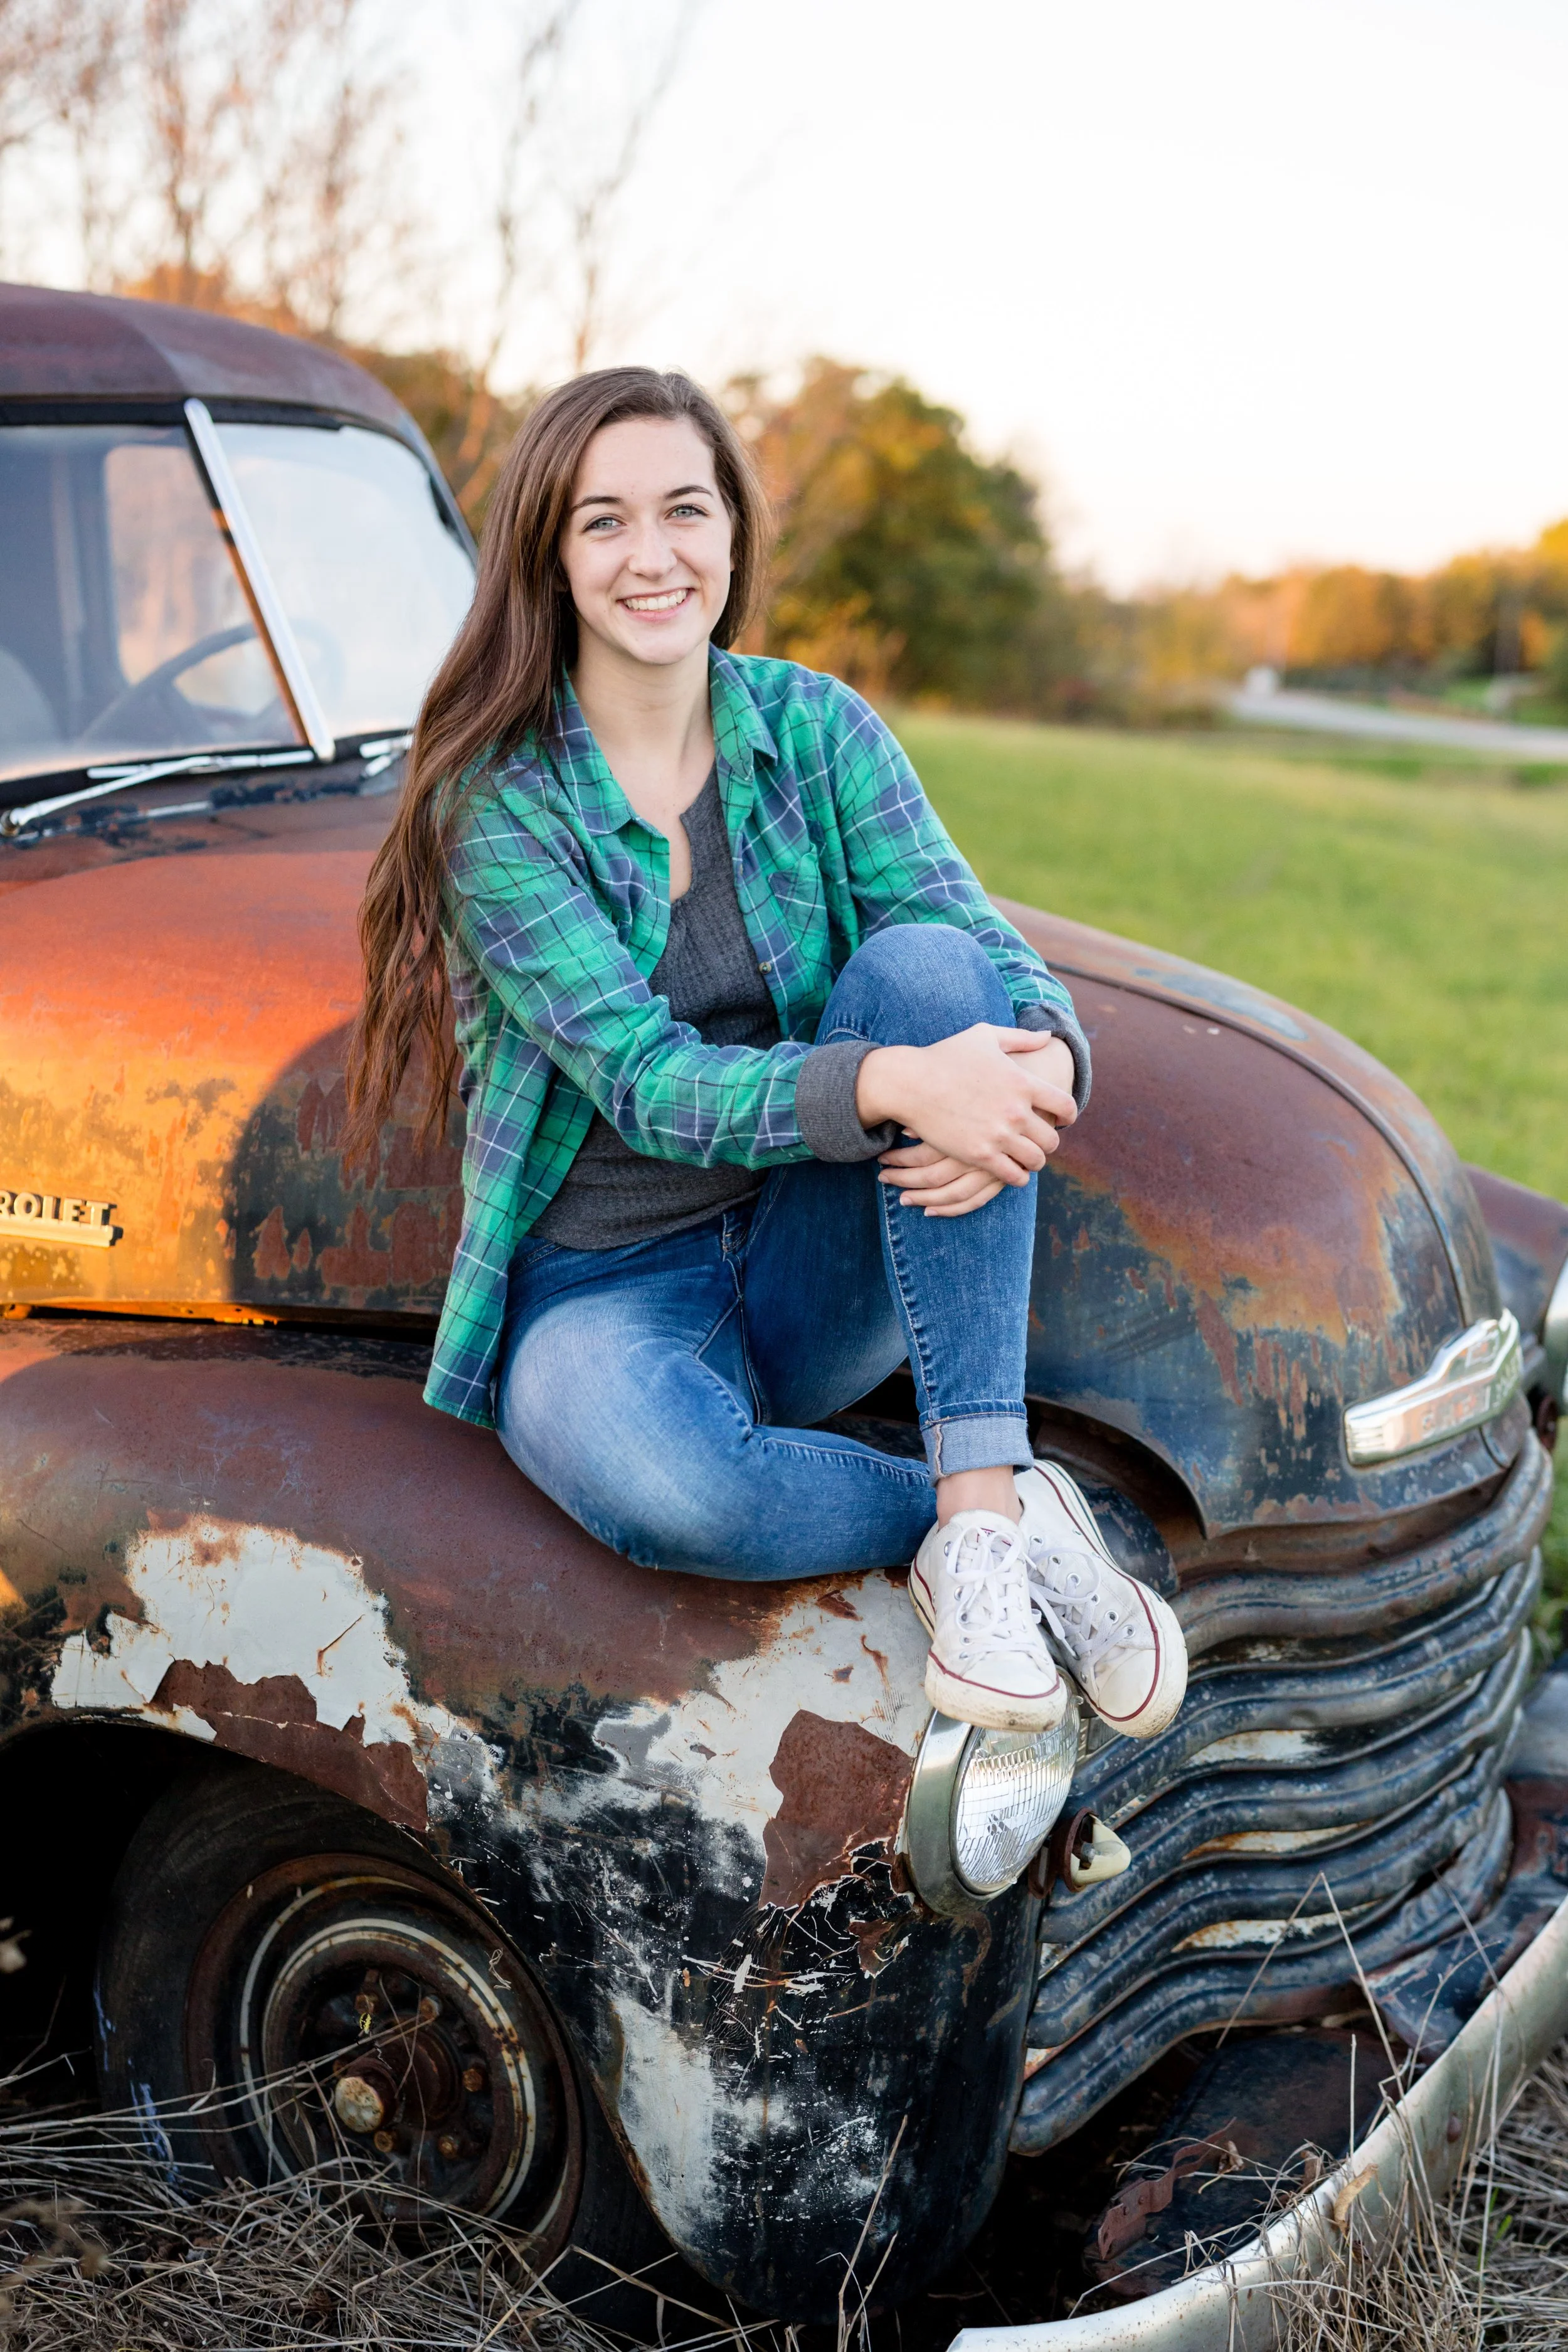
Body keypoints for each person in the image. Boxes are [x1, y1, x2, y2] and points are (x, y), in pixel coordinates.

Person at [346, 366, 1187, 1743]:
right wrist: (892, 1086)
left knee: (930, 975)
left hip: (813, 1253)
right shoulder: (497, 806)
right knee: (661, 1487)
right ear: (551, 558)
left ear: (732, 533)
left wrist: (1043, 1063)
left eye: (684, 509)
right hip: (602, 1291)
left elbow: (963, 933)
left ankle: (976, 1507)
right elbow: (643, 1078)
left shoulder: (813, 728)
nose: (652, 554)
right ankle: (994, 1508)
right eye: (602, 522)